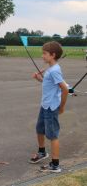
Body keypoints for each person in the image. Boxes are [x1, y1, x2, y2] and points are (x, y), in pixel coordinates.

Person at [29, 41, 68, 172]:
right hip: (45, 105)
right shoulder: (50, 70)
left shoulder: (54, 71)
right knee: (39, 129)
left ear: (53, 55)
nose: (42, 56)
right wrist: (38, 78)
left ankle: (55, 165)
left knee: (52, 135)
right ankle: (42, 152)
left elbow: (64, 89)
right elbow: (48, 84)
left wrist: (61, 107)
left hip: (51, 108)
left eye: (44, 54)